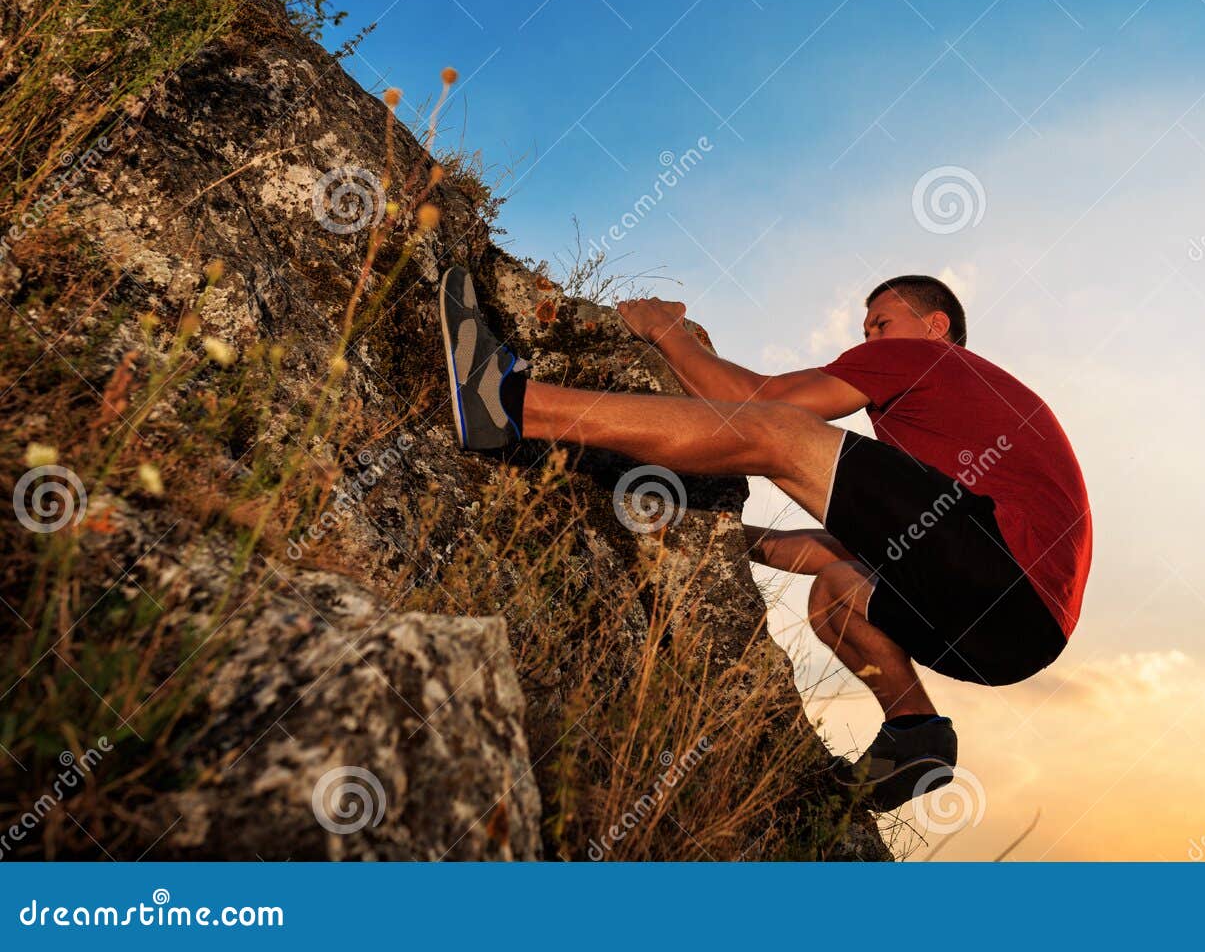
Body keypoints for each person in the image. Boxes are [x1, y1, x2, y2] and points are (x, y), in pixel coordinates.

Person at [439, 267, 1092, 811]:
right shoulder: (951, 445)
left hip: (1004, 572)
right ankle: (915, 731)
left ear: (935, 326)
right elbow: (836, 549)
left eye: (880, 324)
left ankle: (510, 404)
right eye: (865, 330)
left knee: (781, 433)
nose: (867, 339)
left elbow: (761, 405)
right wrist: (727, 536)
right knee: (836, 593)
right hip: (1013, 638)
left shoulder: (925, 359)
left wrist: (666, 330)